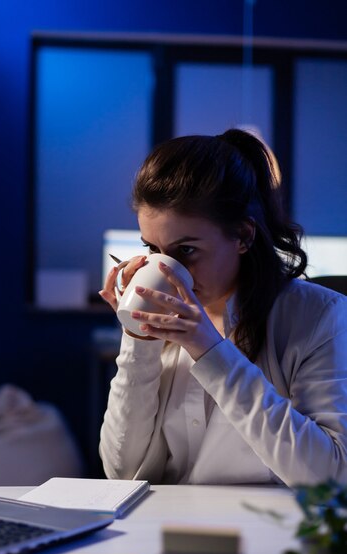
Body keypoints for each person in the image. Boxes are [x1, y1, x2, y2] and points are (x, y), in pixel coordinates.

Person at [98, 128, 347, 486]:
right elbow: (121, 472)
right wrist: (139, 340)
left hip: (267, 533)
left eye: (186, 251)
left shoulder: (322, 318)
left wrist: (211, 351)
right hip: (168, 529)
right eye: (153, 250)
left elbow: (332, 477)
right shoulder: (166, 325)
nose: (166, 270)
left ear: (243, 236)